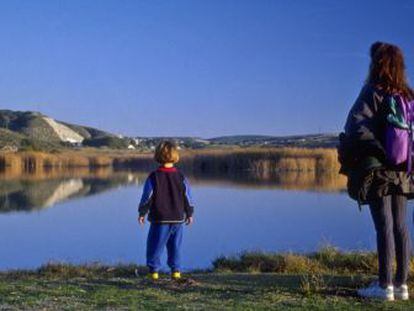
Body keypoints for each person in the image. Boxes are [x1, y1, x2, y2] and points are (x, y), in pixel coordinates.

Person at [340, 42, 414, 301]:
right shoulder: (407, 96)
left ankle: (384, 287)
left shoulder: (373, 91)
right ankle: (402, 286)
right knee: (401, 227)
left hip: (379, 169)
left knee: (384, 226)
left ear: (377, 64)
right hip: (404, 171)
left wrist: (375, 149)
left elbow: (355, 126)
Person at [138, 141, 194, 280]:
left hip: (160, 219)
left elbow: (147, 197)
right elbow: (187, 196)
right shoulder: (181, 176)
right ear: (175, 156)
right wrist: (190, 213)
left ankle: (154, 272)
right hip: (177, 218)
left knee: (155, 245)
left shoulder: (154, 176)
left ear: (158, 156)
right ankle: (176, 272)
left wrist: (142, 212)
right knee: (175, 246)